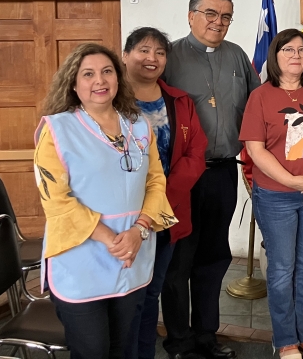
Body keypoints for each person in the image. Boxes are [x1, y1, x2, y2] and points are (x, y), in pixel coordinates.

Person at [34, 43, 177, 359]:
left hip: (132, 253)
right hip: (82, 256)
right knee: (93, 350)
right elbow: (57, 200)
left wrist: (138, 230)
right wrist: (114, 240)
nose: (99, 81)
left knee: (122, 348)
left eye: (107, 71)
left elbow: (156, 182)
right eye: (88, 74)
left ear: (118, 78)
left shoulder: (138, 124)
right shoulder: (58, 129)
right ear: (74, 83)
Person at [161, 0, 261, 359]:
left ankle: (206, 335)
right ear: (190, 16)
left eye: (226, 16)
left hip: (222, 172)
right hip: (180, 178)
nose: (218, 22)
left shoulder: (236, 55)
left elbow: (256, 104)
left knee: (214, 258)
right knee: (178, 261)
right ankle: (179, 341)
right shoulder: (169, 57)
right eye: (210, 13)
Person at [239, 29, 303, 359]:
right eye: (288, 49)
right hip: (278, 196)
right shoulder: (261, 96)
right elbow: (255, 149)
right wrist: (291, 181)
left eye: (302, 50)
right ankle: (285, 340)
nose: (296, 55)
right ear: (275, 56)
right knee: (282, 269)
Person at [122, 27, 208, 359]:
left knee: (150, 293)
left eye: (160, 53)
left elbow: (196, 153)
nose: (152, 59)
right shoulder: (106, 100)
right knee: (124, 297)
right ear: (126, 54)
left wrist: (160, 197)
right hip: (119, 215)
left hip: (164, 214)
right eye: (144, 50)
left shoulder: (178, 100)